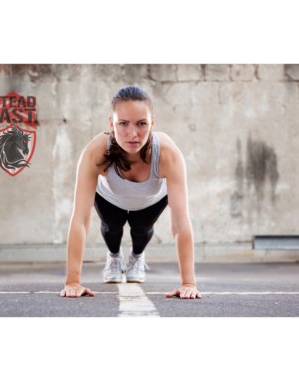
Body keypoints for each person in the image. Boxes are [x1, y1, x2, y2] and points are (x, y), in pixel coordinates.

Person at [60, 85, 201, 299]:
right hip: (110, 197)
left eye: (141, 124)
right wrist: (72, 282)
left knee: (141, 230)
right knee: (112, 228)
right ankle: (114, 257)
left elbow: (180, 223)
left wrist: (188, 284)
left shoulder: (168, 154)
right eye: (123, 124)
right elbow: (80, 220)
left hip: (150, 199)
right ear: (111, 124)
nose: (132, 134)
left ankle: (137, 257)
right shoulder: (95, 152)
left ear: (152, 122)